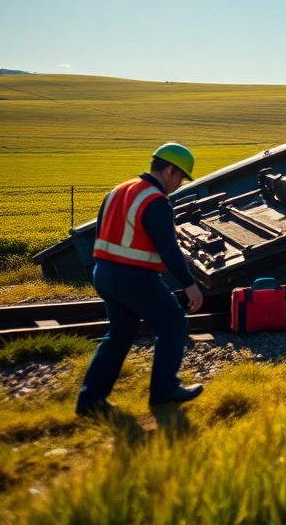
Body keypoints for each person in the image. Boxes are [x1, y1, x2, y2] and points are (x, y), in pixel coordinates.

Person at [75, 143, 206, 416]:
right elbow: (168, 248)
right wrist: (189, 283)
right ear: (170, 170)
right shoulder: (155, 200)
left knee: (119, 334)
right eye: (180, 177)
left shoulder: (120, 189)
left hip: (105, 272)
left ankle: (90, 402)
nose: (179, 184)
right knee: (173, 323)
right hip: (133, 276)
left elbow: (101, 230)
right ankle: (164, 390)